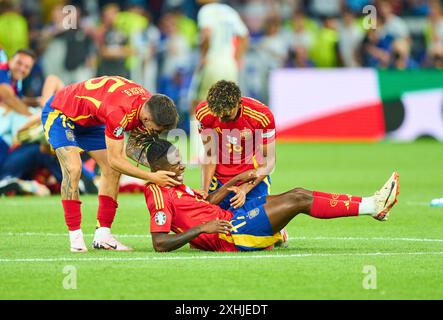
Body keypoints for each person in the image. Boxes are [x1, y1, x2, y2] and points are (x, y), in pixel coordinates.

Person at [138, 136, 399, 252]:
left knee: (297, 193)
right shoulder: (158, 194)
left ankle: (372, 205)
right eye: (175, 163)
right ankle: (372, 205)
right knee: (298, 199)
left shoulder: (175, 185)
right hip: (232, 235)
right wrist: (202, 228)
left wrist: (236, 180)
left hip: (233, 217)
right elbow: (159, 244)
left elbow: (204, 203)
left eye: (181, 159)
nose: (182, 166)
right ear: (158, 168)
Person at [41, 75, 180, 253]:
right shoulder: (119, 111)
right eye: (156, 129)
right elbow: (116, 160)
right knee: (74, 169)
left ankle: (103, 236)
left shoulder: (147, 106)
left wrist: (166, 168)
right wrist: (152, 176)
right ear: (147, 119)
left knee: (111, 171)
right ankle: (75, 238)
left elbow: (132, 150)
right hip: (61, 113)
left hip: (91, 121)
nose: (155, 132)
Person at [195, 80, 275, 212]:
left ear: (239, 104)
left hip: (251, 181)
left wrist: (244, 189)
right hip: (219, 183)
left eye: (226, 115)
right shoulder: (204, 113)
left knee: (248, 228)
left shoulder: (262, 116)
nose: (221, 120)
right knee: (210, 227)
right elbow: (210, 153)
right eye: (217, 114)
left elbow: (269, 161)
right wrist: (204, 189)